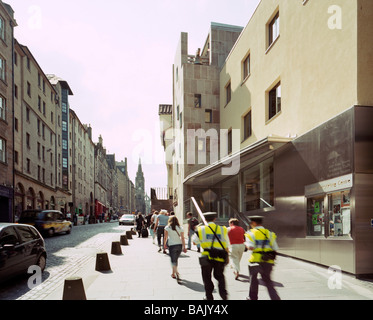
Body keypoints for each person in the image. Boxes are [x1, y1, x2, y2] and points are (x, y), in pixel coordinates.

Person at [192, 212, 230, 300]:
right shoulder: (223, 229)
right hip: (220, 256)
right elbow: (226, 245)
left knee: (206, 277)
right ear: (214, 219)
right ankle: (223, 294)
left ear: (204, 219)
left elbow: (194, 242)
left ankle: (209, 296)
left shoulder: (200, 229)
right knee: (220, 276)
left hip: (206, 256)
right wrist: (227, 257)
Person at [245, 216, 281, 300]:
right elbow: (275, 248)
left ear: (253, 223)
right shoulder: (270, 233)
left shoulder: (250, 233)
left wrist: (245, 244)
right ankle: (275, 298)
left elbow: (250, 247)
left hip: (255, 260)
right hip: (268, 260)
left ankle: (252, 297)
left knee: (253, 280)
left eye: (251, 223)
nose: (250, 225)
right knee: (268, 281)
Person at [164, 216, 187, 281]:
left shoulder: (167, 227)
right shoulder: (180, 228)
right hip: (179, 245)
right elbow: (182, 238)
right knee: (175, 259)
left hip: (171, 245)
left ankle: (176, 272)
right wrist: (184, 247)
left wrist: (164, 245)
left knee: (173, 260)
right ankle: (173, 273)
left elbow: (165, 237)